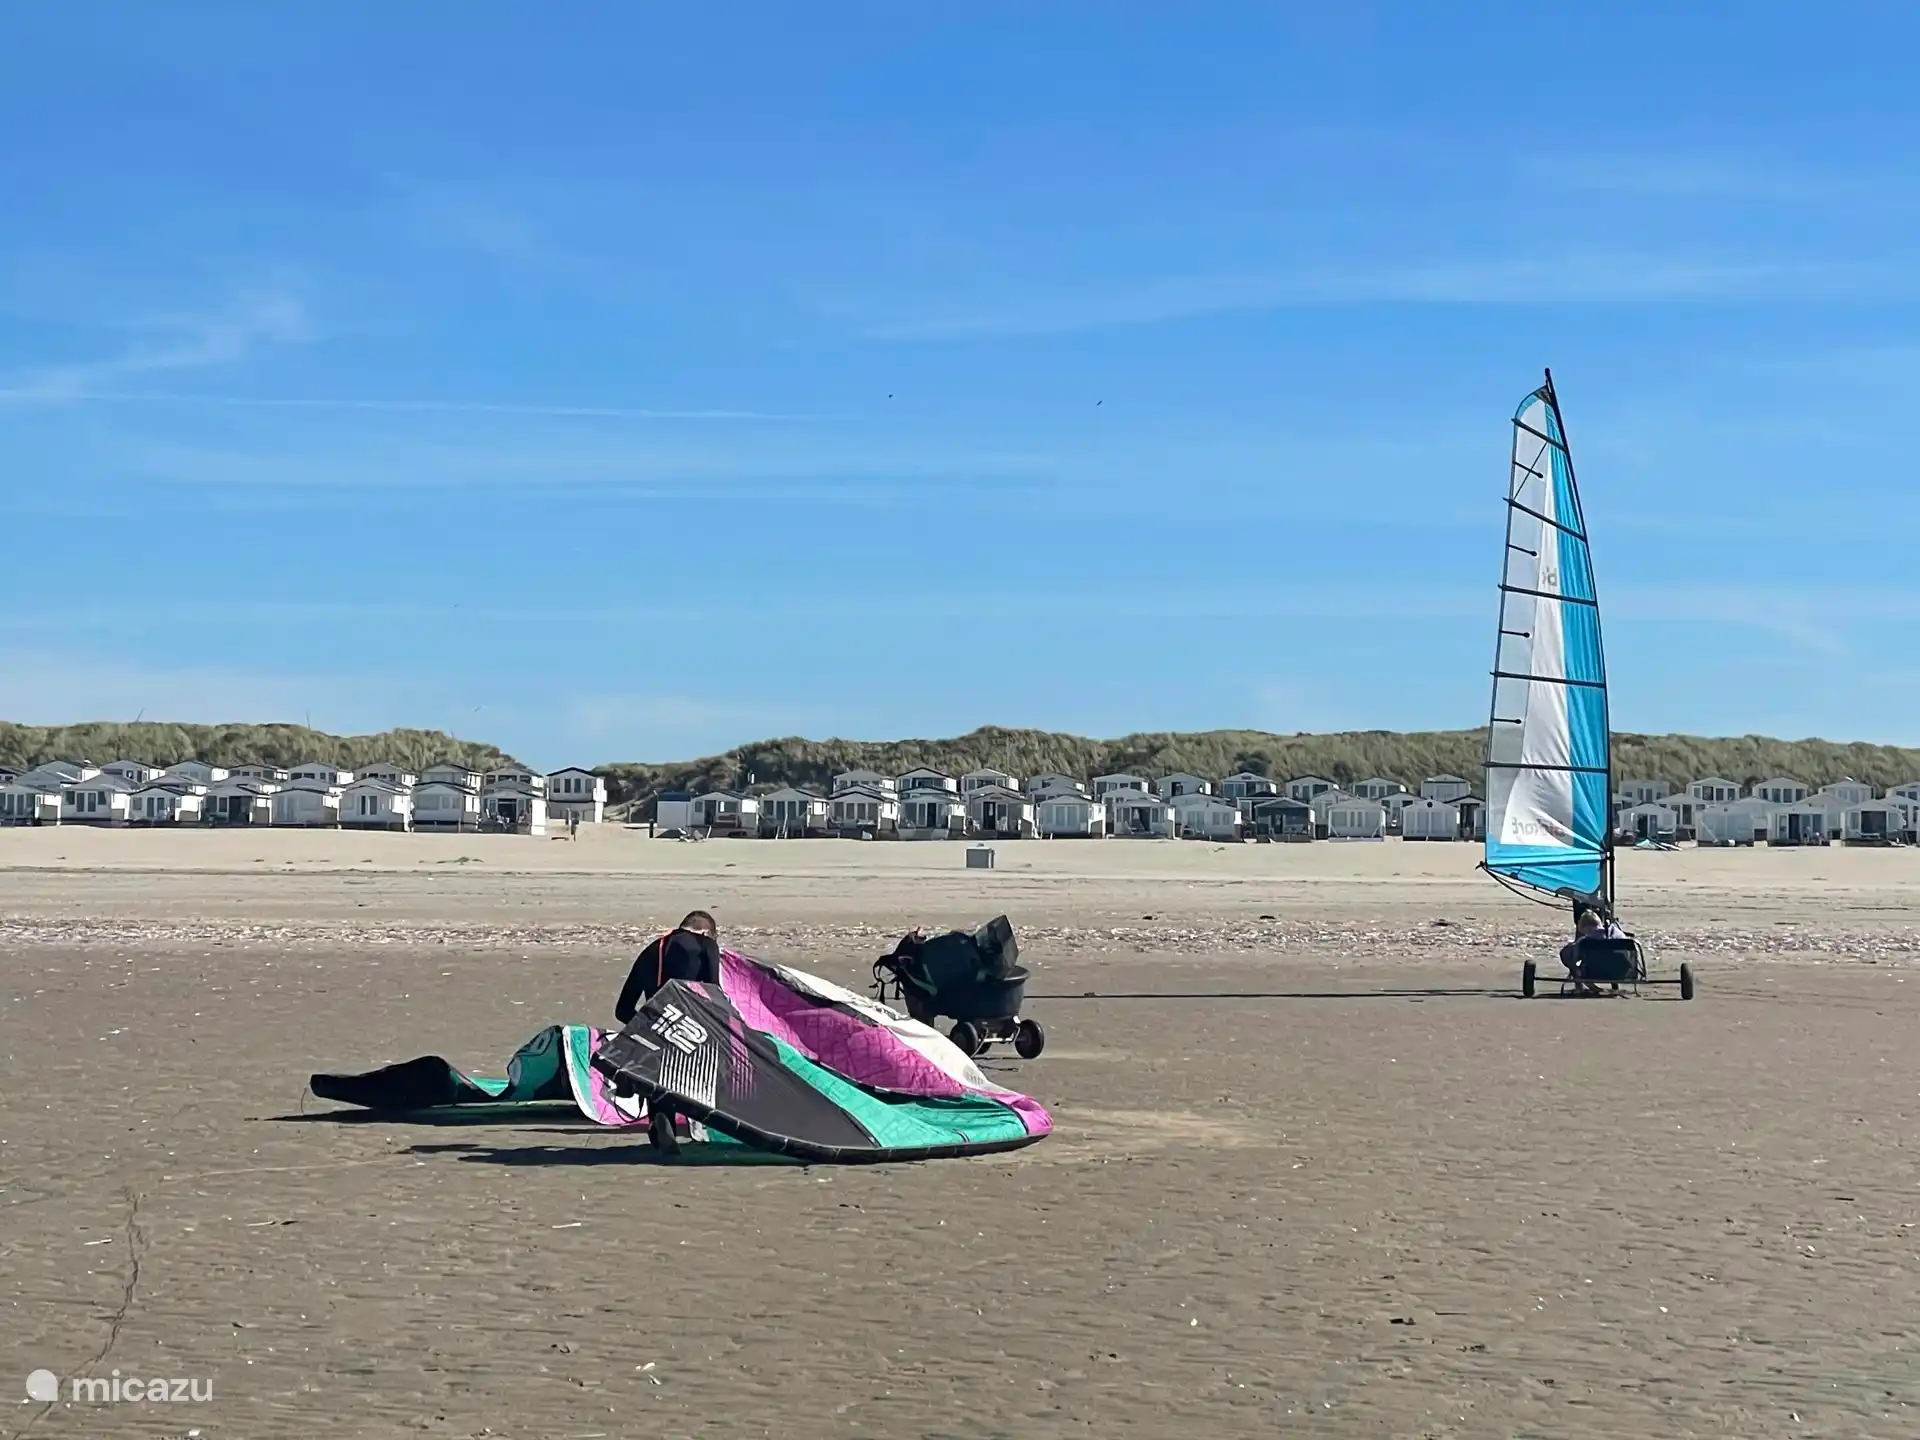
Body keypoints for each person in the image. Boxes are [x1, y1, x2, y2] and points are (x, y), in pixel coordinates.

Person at [614, 910, 721, 1024]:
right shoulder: (707, 945)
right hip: (693, 1031)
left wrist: (648, 1028)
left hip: (656, 1032)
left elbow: (622, 1011)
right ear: (706, 933)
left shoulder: (651, 950)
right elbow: (715, 996)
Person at [1559, 907, 1624, 996]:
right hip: (1621, 972)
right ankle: (1611, 986)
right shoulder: (1617, 933)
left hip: (1595, 972)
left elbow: (1570, 956)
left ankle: (1583, 985)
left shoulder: (1585, 942)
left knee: (1570, 955)